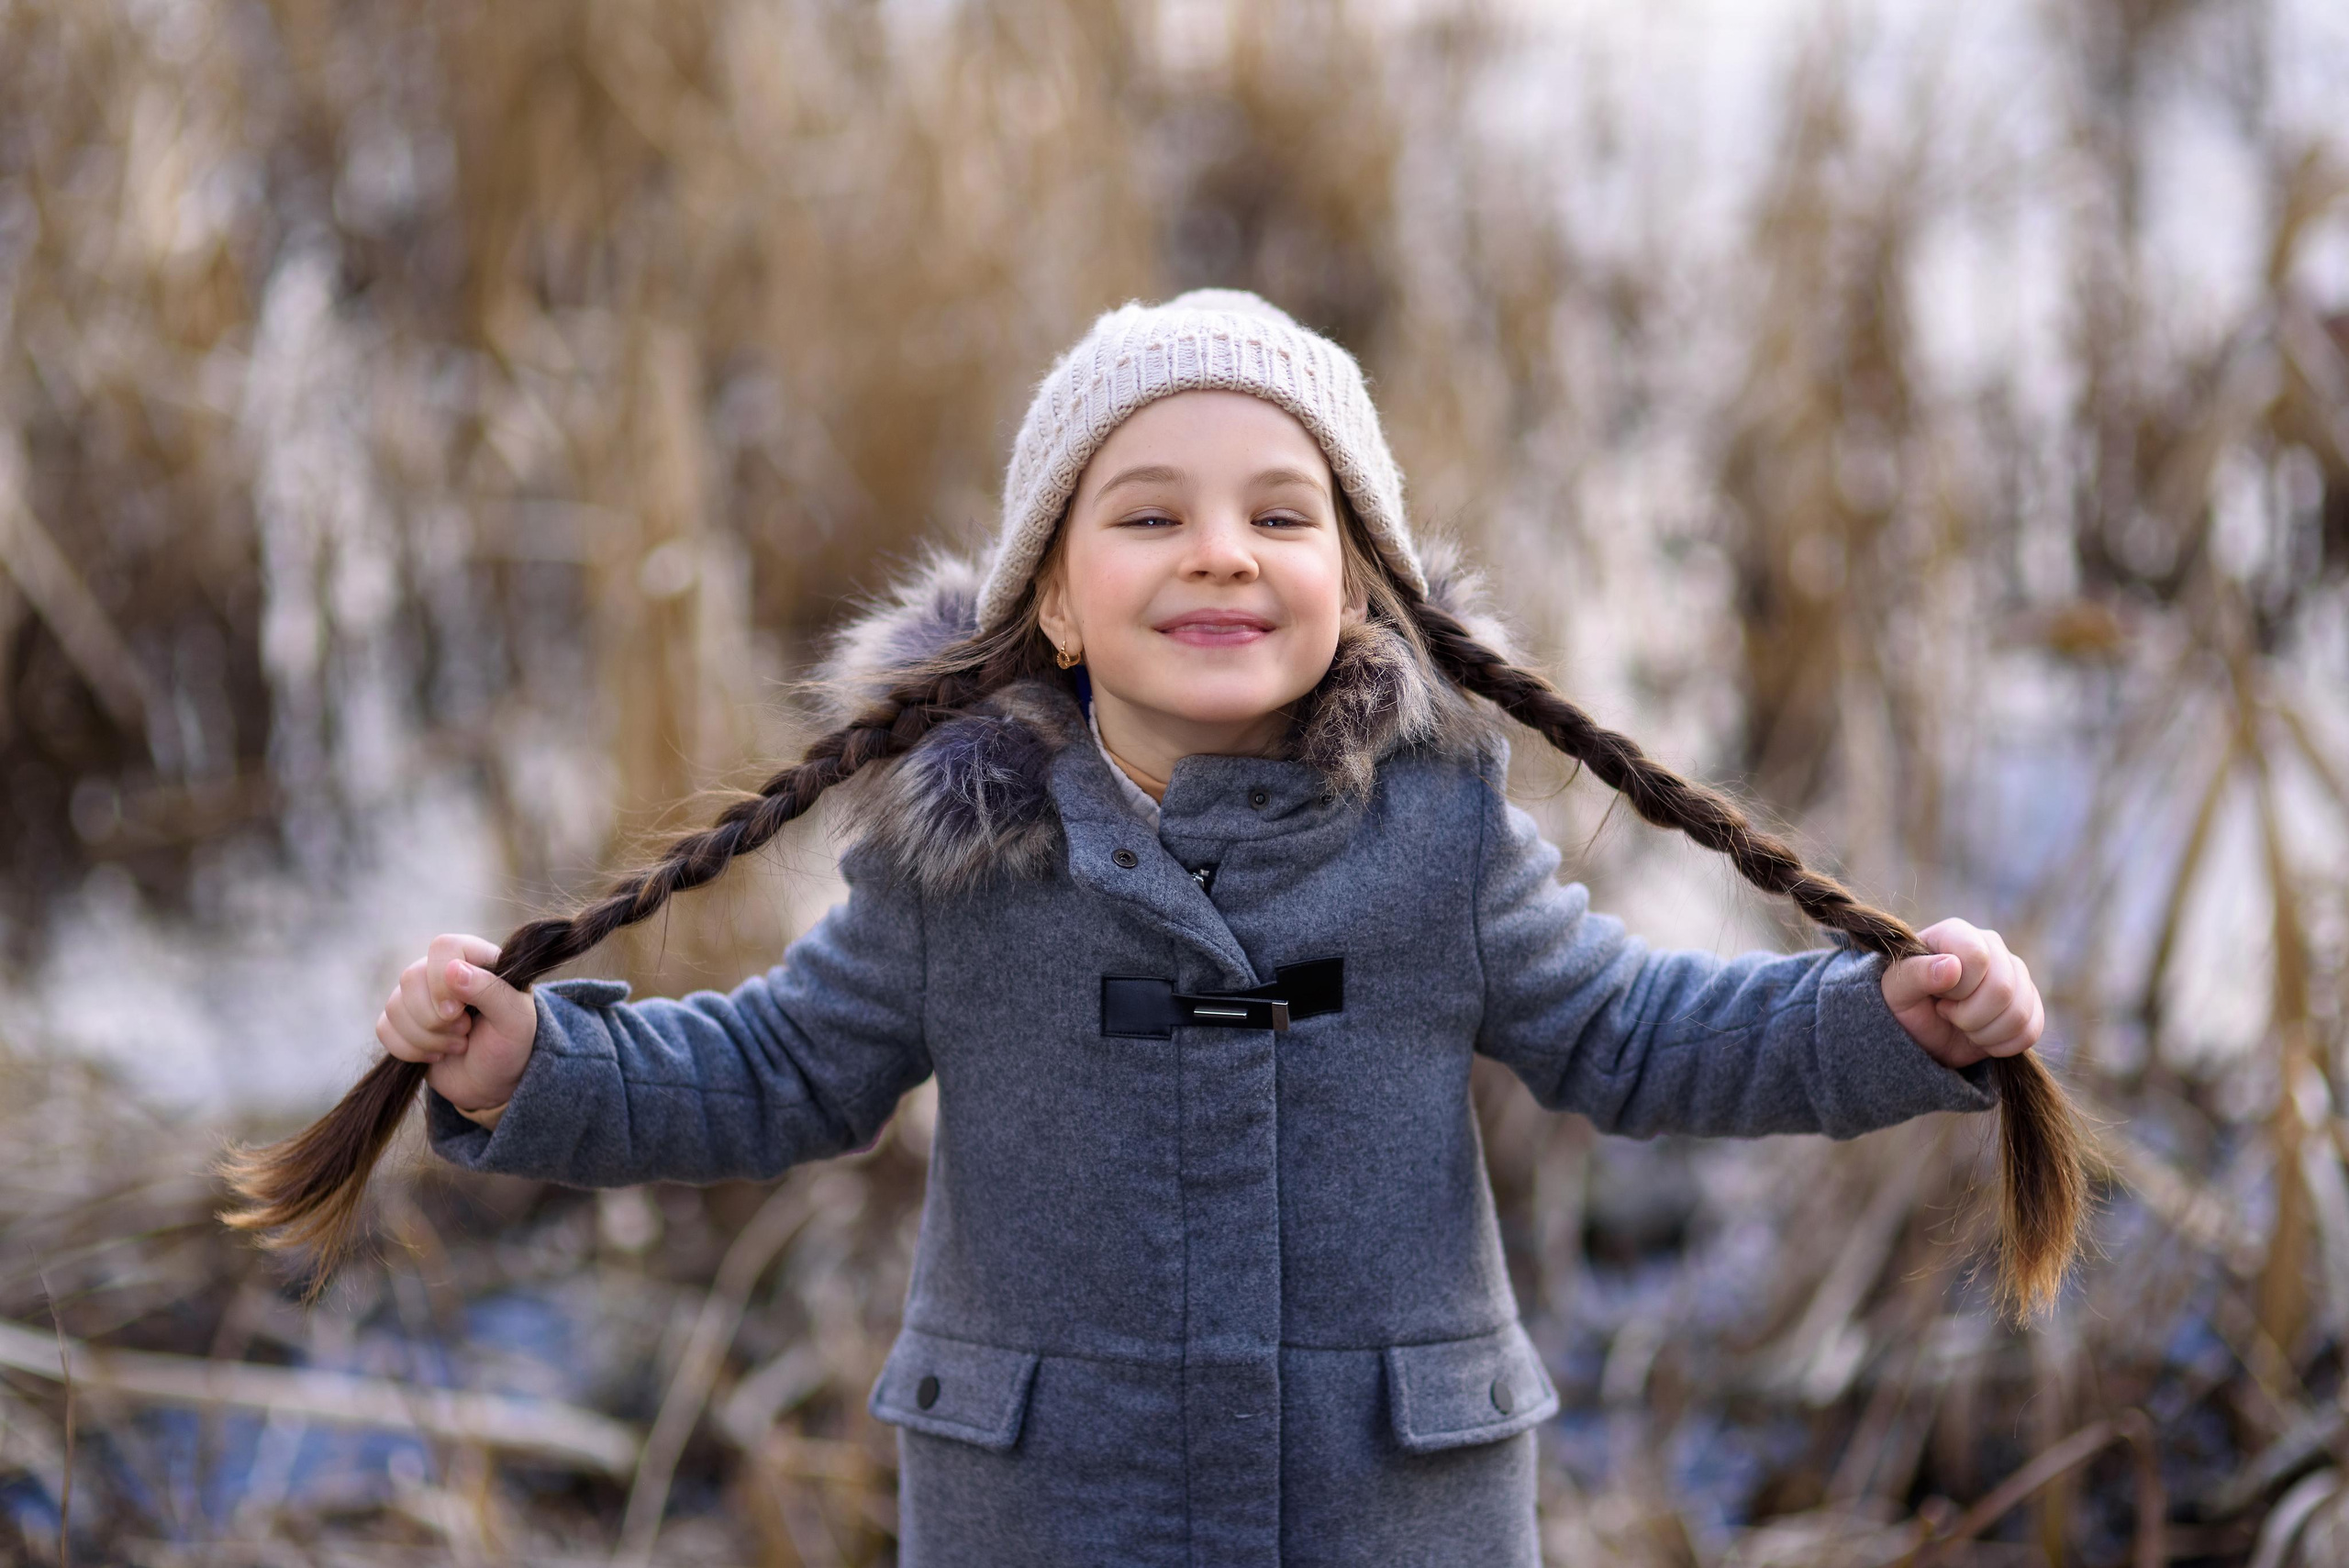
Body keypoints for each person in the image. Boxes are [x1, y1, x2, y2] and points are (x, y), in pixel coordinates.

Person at [228, 289, 2075, 1566]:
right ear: (1046, 603)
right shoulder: (963, 860)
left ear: (1358, 589)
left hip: (1390, 1504)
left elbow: (1636, 1031)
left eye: (1281, 513)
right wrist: (534, 1061)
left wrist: (1881, 1024)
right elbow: (776, 1068)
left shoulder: (1434, 832)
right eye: (1148, 514)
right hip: (1049, 1505)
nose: (1218, 550)